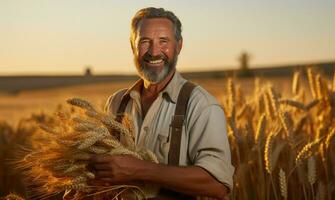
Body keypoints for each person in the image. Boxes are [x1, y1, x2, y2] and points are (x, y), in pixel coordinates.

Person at [88, 7, 234, 199]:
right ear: (133, 46)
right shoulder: (117, 103)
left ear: (179, 46)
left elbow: (218, 184)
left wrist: (140, 170)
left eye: (163, 41)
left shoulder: (201, 105)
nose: (154, 51)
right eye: (145, 41)